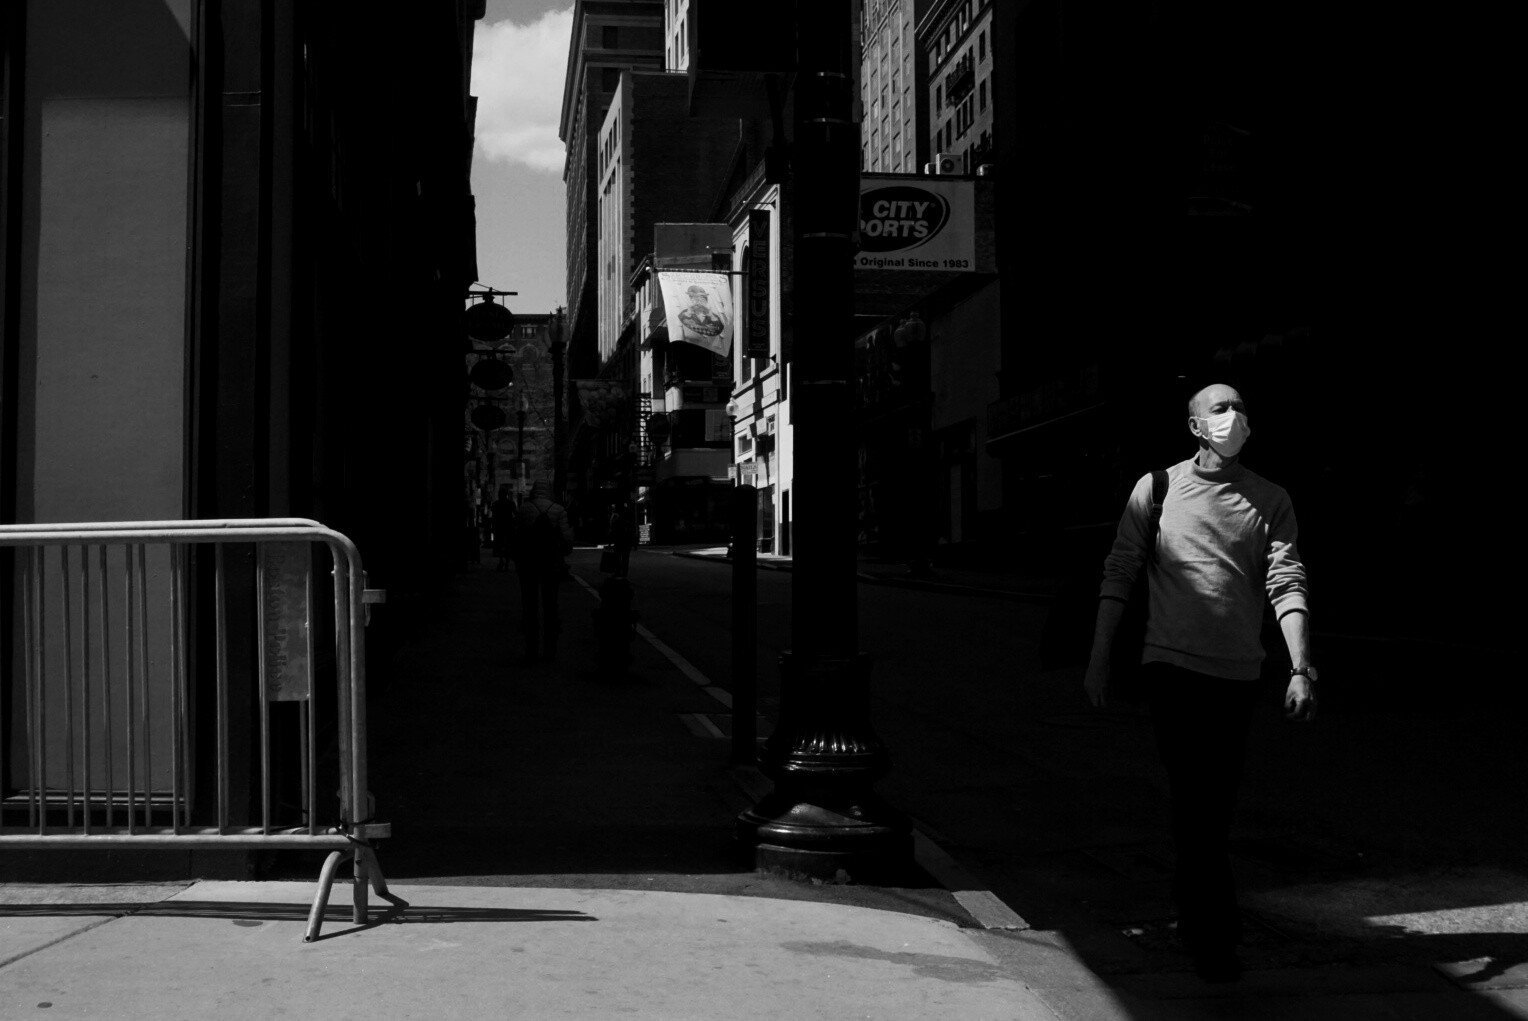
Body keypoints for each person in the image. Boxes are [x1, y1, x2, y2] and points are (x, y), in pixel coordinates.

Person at [1084, 382, 1316, 983]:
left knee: (1212, 805)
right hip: (1171, 670)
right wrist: (1099, 654)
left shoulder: (1270, 499)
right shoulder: (1157, 489)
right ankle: (1215, 937)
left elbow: (1286, 582)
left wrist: (1299, 667)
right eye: (1220, 409)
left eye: (1241, 408)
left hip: (1237, 676)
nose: (1234, 417)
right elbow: (1121, 567)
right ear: (1194, 425)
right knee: (1198, 800)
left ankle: (1196, 918)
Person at [513, 482, 575, 661]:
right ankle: (550, 649)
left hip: (528, 563)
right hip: (550, 563)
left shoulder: (523, 509)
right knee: (550, 605)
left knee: (530, 606)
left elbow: (515, 536)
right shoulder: (558, 510)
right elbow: (566, 539)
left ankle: (531, 648)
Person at [490, 486, 516, 572]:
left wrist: (493, 527)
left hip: (499, 526)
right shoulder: (511, 503)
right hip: (508, 526)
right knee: (508, 545)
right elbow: (515, 514)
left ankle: (501, 561)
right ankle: (507, 563)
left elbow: (493, 516)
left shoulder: (495, 504)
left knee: (500, 544)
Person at [607, 502, 635, 578]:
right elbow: (631, 528)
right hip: (625, 540)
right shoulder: (628, 516)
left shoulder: (616, 517)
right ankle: (624, 574)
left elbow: (612, 529)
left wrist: (610, 542)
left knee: (618, 557)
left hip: (619, 540)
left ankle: (618, 572)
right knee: (625, 558)